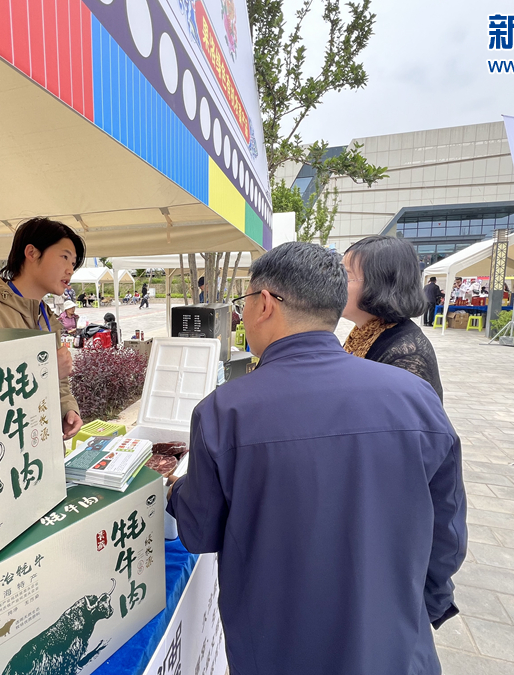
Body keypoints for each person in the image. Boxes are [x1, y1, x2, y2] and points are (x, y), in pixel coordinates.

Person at [167, 242, 466, 675]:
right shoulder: (416, 397)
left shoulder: (224, 411)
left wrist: (176, 492)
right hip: (394, 647)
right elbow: (448, 531)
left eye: (243, 302)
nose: (242, 314)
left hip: (275, 648)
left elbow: (199, 532)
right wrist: (418, 609)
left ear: (264, 303)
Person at [0, 217, 85, 440]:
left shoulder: (44, 315)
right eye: (64, 257)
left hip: (36, 444)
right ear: (31, 253)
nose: (70, 270)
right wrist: (45, 370)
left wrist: (67, 408)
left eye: (73, 262)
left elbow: (58, 381)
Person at [342, 236, 444, 401]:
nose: (337, 284)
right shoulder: (364, 334)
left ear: (379, 284)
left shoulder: (407, 355)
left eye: (346, 276)